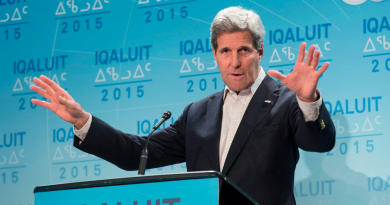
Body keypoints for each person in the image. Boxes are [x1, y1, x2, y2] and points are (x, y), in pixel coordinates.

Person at [31, 6, 335, 205]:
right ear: (214, 55)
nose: (235, 61)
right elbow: (138, 153)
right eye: (225, 51)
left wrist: (307, 100)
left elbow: (319, 142)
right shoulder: (197, 113)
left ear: (260, 51)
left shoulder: (285, 101)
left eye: (244, 50)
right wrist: (83, 120)